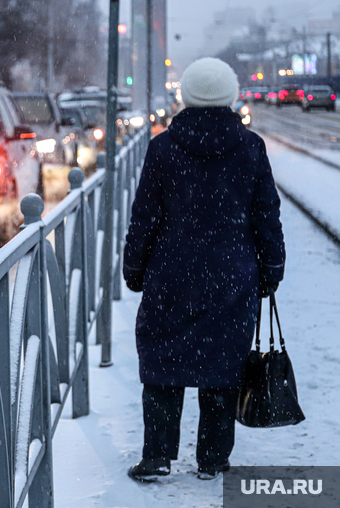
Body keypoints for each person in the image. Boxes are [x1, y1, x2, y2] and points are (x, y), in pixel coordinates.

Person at [124, 57, 285, 482]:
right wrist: (271, 268)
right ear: (231, 95)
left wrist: (134, 268)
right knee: (222, 368)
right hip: (231, 276)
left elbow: (145, 217)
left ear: (186, 96)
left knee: (162, 365)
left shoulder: (162, 148)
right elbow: (266, 214)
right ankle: (212, 459)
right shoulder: (250, 148)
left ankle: (157, 454)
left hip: (171, 276)